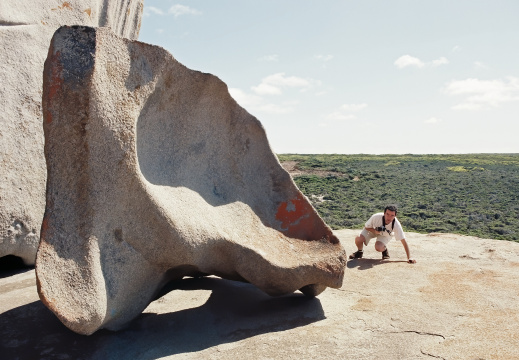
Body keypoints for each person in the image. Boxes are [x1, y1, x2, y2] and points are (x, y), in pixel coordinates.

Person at [349, 205, 416, 263]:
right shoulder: (376, 217)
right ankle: (359, 252)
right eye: (387, 214)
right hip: (372, 230)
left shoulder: (396, 224)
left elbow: (403, 241)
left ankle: (384, 250)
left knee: (378, 247)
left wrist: (409, 257)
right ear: (384, 213)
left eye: (392, 215)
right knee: (358, 238)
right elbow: (366, 227)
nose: (389, 217)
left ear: (395, 216)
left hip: (385, 234)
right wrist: (375, 231)